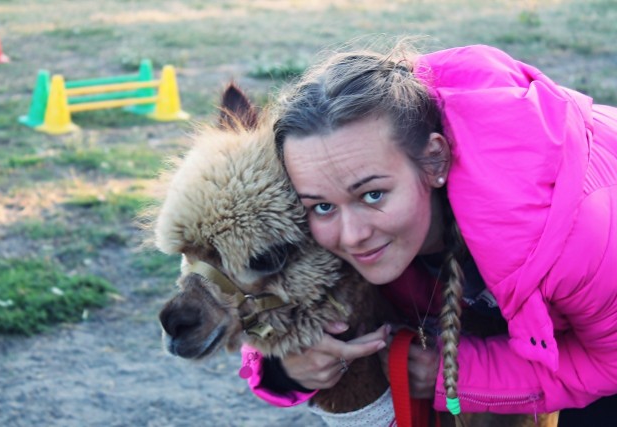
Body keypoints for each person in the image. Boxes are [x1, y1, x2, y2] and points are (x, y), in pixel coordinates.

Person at [239, 39, 617, 425]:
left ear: (435, 159)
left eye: (372, 195)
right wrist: (286, 364)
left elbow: (609, 362)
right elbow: (275, 285)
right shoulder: (333, 209)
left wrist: (457, 375)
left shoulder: (578, 236)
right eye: (321, 205)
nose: (351, 236)